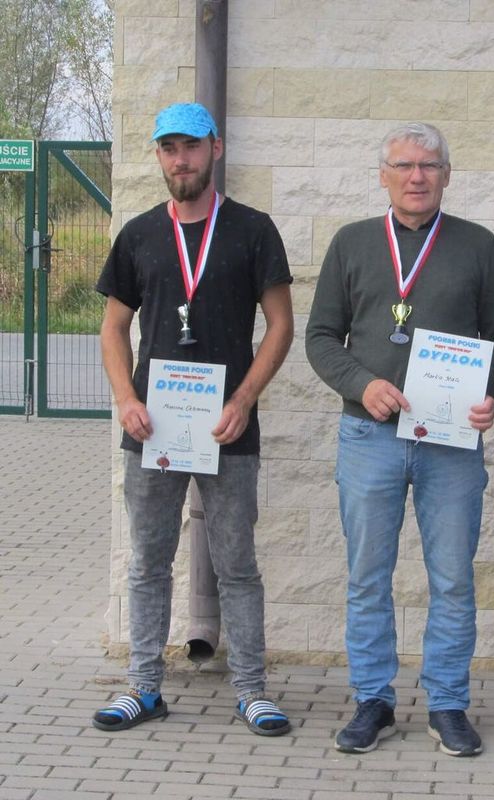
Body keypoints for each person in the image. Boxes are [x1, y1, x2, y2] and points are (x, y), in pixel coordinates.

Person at [305, 122, 494, 758]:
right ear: (383, 175)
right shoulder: (351, 243)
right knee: (367, 578)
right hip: (367, 434)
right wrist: (361, 383)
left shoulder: (477, 245)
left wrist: (488, 394)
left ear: (447, 175)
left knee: (451, 579)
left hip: (450, 444)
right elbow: (320, 337)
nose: (416, 176)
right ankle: (372, 700)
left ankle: (448, 703)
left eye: (429, 165)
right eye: (403, 165)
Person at [93, 102, 294, 736]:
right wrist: (126, 399)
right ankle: (143, 687)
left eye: (192, 146)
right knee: (148, 563)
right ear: (159, 155)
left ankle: (252, 692)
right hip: (151, 428)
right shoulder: (138, 234)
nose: (181, 159)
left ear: (216, 148)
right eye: (169, 148)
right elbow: (113, 328)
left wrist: (244, 400)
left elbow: (281, 326)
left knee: (237, 564)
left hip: (227, 429)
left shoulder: (253, 229)